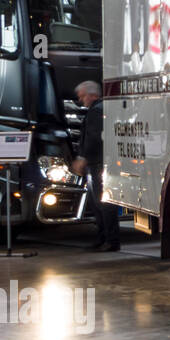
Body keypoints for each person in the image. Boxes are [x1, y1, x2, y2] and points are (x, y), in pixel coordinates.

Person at [71, 80, 120, 251]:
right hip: (101, 162)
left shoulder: (97, 111)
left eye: (83, 96)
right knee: (100, 203)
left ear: (93, 95)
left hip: (98, 163)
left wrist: (82, 158)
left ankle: (110, 240)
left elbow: (93, 138)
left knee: (103, 204)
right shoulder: (102, 109)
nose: (81, 100)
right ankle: (105, 239)